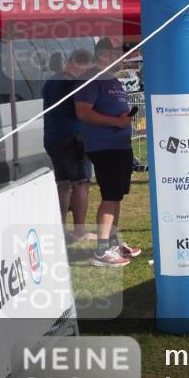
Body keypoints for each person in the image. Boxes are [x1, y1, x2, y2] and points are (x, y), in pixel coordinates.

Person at [74, 38, 142, 267]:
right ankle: (102, 250)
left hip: (120, 146)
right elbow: (83, 112)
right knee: (110, 196)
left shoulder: (111, 79)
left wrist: (122, 121)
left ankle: (112, 243)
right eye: (117, 52)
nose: (122, 57)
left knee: (116, 196)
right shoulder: (92, 78)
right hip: (105, 147)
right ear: (103, 53)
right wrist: (115, 121)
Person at [42, 49, 96, 242]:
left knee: (63, 185)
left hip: (52, 138)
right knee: (81, 184)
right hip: (73, 139)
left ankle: (61, 228)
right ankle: (80, 231)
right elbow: (83, 110)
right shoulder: (75, 84)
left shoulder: (50, 82)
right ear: (79, 64)